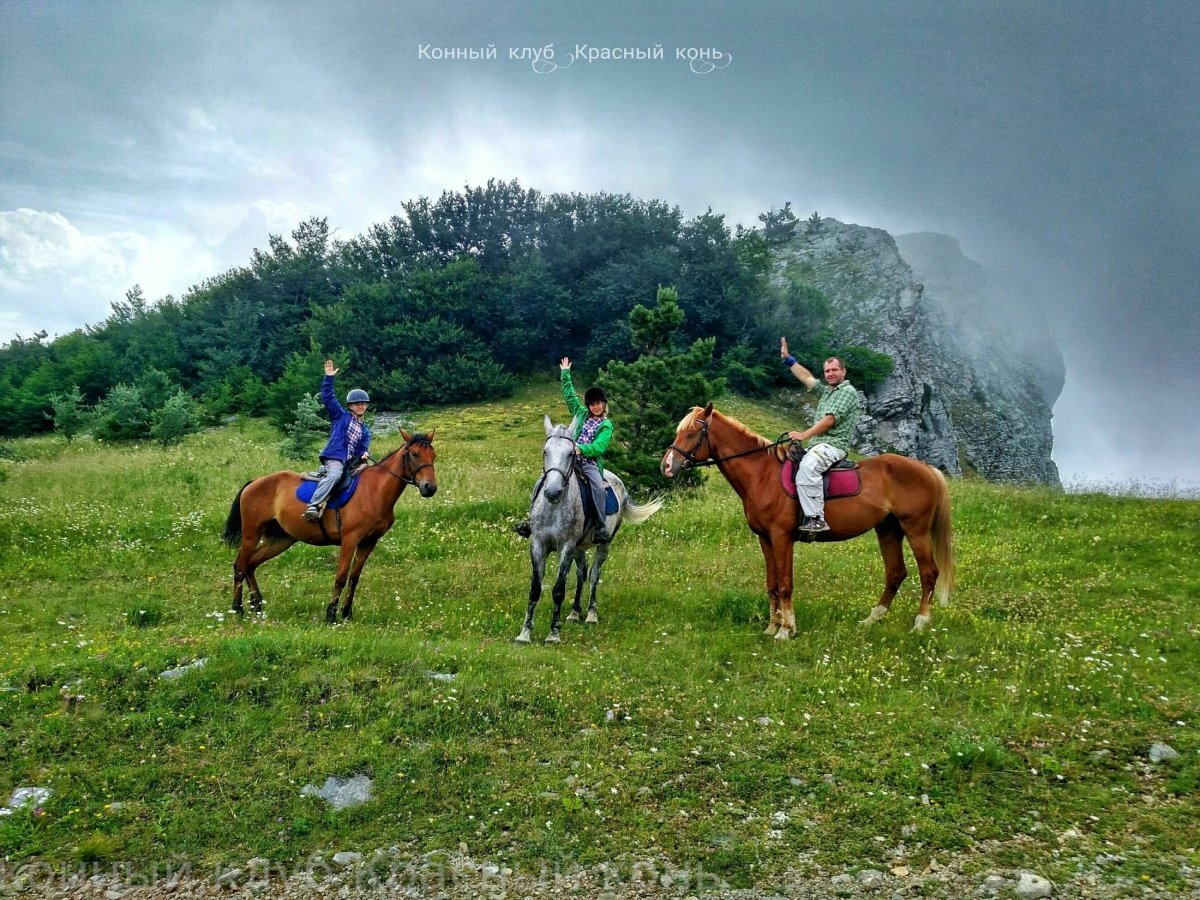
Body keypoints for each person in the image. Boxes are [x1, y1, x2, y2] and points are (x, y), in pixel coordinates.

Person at [515, 357, 614, 543]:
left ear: (604, 404)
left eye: (599, 403)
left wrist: (580, 449)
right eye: (593, 404)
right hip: (568, 460)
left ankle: (600, 527)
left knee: (599, 489)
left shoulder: (606, 425)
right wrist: (565, 373)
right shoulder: (581, 414)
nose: (596, 406)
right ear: (588, 406)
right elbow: (570, 395)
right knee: (542, 481)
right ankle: (531, 521)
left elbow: (599, 447)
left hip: (589, 463)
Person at [780, 337, 860, 533]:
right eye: (827, 371)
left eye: (834, 370)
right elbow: (806, 378)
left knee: (807, 467)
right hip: (818, 445)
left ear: (843, 371)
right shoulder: (827, 391)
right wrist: (789, 359)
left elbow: (830, 420)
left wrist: (804, 434)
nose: (830, 373)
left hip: (833, 445)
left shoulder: (847, 391)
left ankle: (816, 519)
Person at [302, 359, 372, 522]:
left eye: (363, 404)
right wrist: (329, 378)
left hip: (351, 462)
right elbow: (328, 397)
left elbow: (362, 448)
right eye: (356, 404)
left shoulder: (365, 430)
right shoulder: (340, 416)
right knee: (335, 475)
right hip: (335, 457)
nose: (360, 406)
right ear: (350, 406)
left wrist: (365, 453)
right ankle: (314, 504)